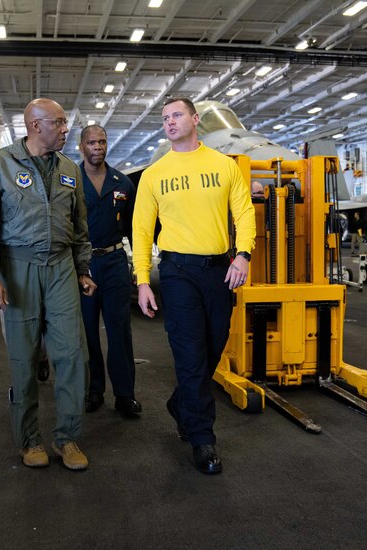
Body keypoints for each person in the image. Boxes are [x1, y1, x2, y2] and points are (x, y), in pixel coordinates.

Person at [0, 98, 96, 471]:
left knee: (73, 355)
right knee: (23, 358)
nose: (65, 129)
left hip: (60, 267)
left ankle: (68, 438)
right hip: (17, 265)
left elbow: (79, 228)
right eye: (58, 123)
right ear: (35, 125)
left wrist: (83, 269)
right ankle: (29, 440)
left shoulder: (70, 169)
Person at [132, 97, 255, 475]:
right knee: (189, 354)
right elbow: (140, 231)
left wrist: (243, 254)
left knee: (213, 347)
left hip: (219, 270)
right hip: (177, 272)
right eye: (164, 118)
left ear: (195, 119)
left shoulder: (223, 166)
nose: (169, 122)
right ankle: (203, 439)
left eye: (176, 115)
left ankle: (180, 402)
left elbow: (245, 212)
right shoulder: (154, 174)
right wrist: (142, 281)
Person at [78, 124, 141, 416]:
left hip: (115, 264)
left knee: (120, 332)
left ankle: (125, 395)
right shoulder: (71, 181)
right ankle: (94, 391)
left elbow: (132, 229)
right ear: (82, 147)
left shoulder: (123, 183)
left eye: (102, 142)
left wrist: (139, 268)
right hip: (83, 265)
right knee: (87, 332)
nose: (97, 147)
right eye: (91, 143)